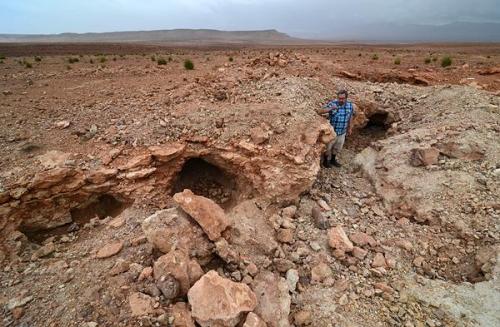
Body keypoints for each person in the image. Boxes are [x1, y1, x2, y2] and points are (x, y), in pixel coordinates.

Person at [317, 90, 356, 168]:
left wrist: (350, 128)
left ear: (346, 98)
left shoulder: (350, 106)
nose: (341, 100)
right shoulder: (333, 103)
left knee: (337, 148)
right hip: (332, 133)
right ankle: (325, 161)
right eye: (339, 98)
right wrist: (331, 108)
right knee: (328, 148)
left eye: (343, 98)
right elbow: (320, 111)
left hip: (342, 132)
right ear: (337, 97)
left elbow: (350, 117)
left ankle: (333, 160)